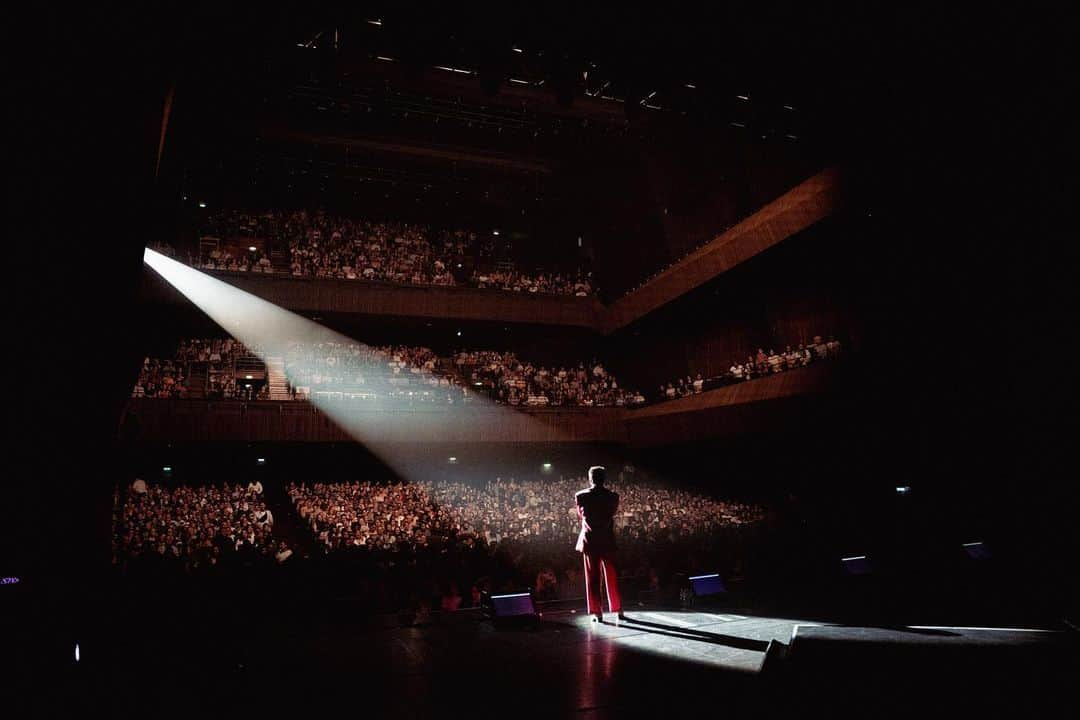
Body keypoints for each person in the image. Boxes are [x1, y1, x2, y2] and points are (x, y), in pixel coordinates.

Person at [575, 466, 624, 622]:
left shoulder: (581, 496)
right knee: (612, 576)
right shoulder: (613, 496)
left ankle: (597, 612)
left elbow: (580, 515)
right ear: (604, 479)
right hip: (607, 540)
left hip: (590, 540)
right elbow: (610, 514)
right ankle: (618, 609)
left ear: (590, 479)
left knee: (593, 578)